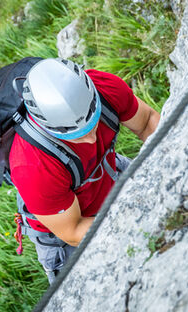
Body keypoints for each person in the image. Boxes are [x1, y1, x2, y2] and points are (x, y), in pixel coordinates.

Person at [9, 58, 160, 283]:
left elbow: (147, 122)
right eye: (74, 133)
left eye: (93, 121)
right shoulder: (33, 166)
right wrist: (135, 218)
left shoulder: (105, 88)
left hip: (107, 172)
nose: (90, 139)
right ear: (47, 127)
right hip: (67, 233)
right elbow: (73, 231)